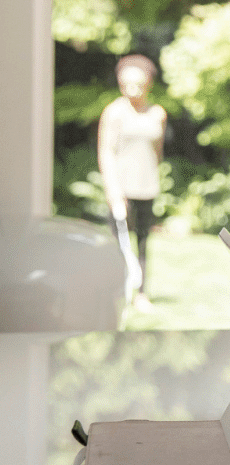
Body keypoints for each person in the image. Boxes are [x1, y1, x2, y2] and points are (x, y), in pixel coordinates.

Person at [98, 54, 167, 311]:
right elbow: (106, 152)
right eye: (126, 84)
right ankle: (116, 292)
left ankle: (141, 293)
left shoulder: (157, 113)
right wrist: (113, 190)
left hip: (146, 187)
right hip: (121, 189)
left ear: (148, 83)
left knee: (142, 242)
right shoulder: (114, 112)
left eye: (137, 84)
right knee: (119, 245)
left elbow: (157, 151)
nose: (132, 89)